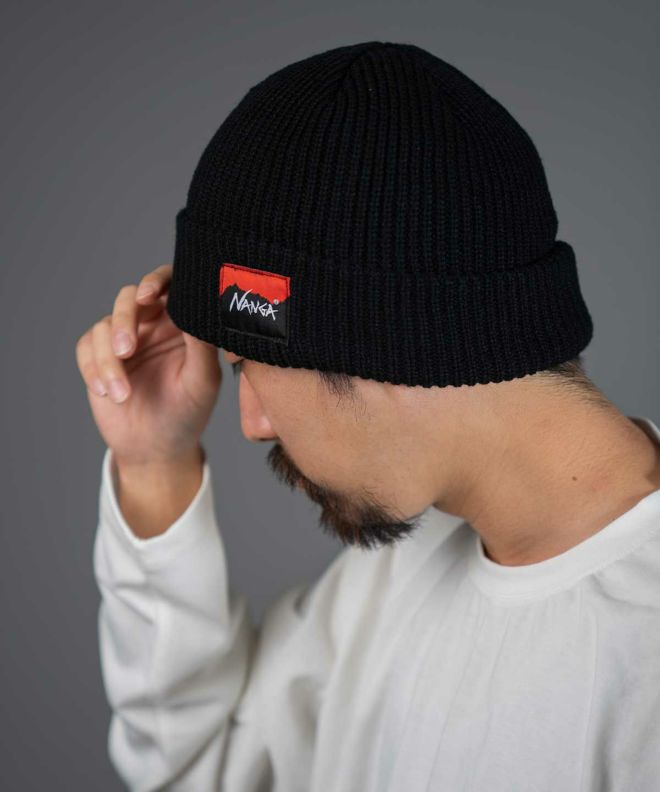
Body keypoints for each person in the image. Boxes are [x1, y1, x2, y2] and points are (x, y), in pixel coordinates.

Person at [76, 41, 660, 791]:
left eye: (247, 365)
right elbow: (208, 771)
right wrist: (154, 462)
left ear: (378, 345)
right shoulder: (394, 581)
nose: (252, 423)